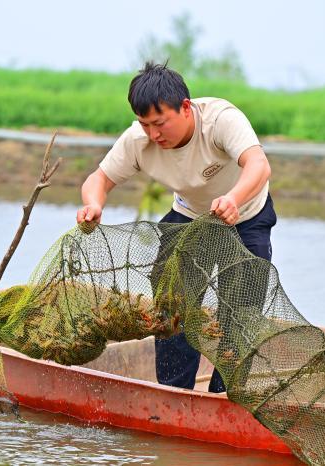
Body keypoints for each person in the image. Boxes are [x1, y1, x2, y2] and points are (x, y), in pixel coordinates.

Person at [75, 62, 277, 393]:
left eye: (160, 123)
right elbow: (99, 179)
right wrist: (94, 204)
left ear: (185, 108)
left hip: (245, 217)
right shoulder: (138, 141)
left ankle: (222, 396)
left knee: (241, 313)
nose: (154, 134)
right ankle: (175, 393)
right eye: (145, 124)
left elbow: (258, 164)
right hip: (187, 217)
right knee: (171, 306)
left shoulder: (220, 121)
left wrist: (233, 199)